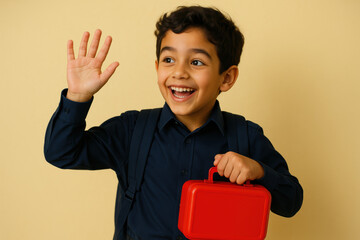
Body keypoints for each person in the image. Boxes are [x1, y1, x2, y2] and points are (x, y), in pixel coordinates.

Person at [44, 6, 303, 240]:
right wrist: (77, 96)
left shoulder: (246, 137)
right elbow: (62, 152)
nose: (179, 72)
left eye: (197, 62)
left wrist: (259, 171)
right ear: (157, 67)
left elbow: (291, 201)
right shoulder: (132, 130)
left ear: (226, 78)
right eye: (169, 60)